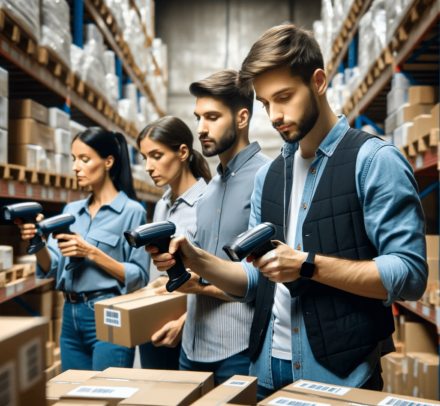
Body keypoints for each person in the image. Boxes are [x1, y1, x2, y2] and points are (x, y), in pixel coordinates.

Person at [147, 24, 428, 399]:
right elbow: (251, 282)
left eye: (284, 97)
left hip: (337, 373)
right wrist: (194, 258)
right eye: (265, 103)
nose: (275, 115)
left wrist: (307, 265)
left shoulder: (373, 161)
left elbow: (409, 275)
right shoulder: (270, 176)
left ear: (318, 81)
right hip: (264, 370)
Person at [147, 70, 271, 385]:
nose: (201, 128)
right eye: (198, 117)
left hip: (239, 349)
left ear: (242, 118)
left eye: (212, 117)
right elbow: (202, 270)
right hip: (192, 350)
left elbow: (265, 283)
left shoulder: (268, 177)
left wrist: (198, 284)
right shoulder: (210, 189)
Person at [17, 127, 149, 372]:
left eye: (84, 159)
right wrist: (38, 243)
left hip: (109, 311)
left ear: (108, 161)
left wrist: (90, 252)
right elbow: (53, 267)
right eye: (74, 159)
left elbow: (139, 276)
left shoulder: (132, 212)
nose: (76, 167)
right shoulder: (71, 210)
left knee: (106, 399)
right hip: (70, 316)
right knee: (74, 397)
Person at [135, 115, 212, 370]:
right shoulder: (161, 206)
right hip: (160, 322)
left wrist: (184, 321)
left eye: (156, 156)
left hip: (196, 329)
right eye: (145, 157)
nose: (148, 166)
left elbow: (221, 275)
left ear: (182, 152)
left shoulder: (208, 203)